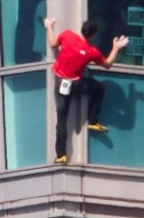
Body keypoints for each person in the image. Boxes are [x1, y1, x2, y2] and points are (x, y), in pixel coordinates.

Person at [45, 18, 129, 164]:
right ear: (93, 35)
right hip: (76, 84)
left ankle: (61, 156)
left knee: (61, 121)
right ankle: (93, 120)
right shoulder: (92, 52)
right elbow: (108, 64)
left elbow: (53, 43)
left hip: (60, 83)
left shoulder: (68, 35)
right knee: (99, 88)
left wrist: (49, 27)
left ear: (82, 27)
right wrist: (115, 47)